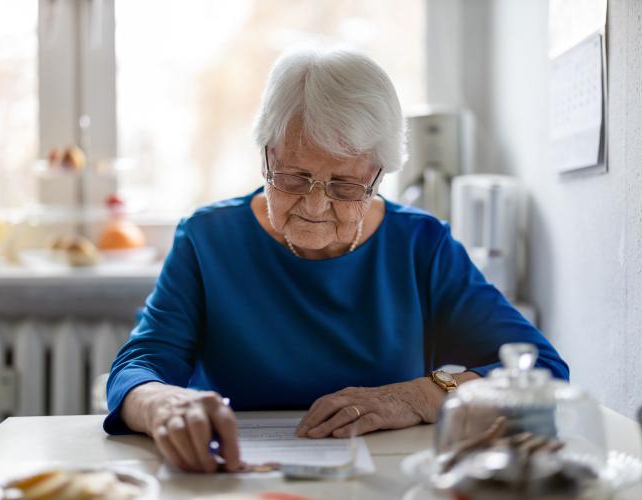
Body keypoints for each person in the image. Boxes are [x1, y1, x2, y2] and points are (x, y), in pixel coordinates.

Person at [103, 46, 569, 474]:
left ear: (378, 176)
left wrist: (421, 395)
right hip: (239, 477)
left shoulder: (419, 243)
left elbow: (542, 369)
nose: (314, 204)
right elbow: (140, 364)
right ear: (266, 155)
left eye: (345, 186)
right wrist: (162, 403)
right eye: (292, 176)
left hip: (384, 479)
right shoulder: (208, 239)